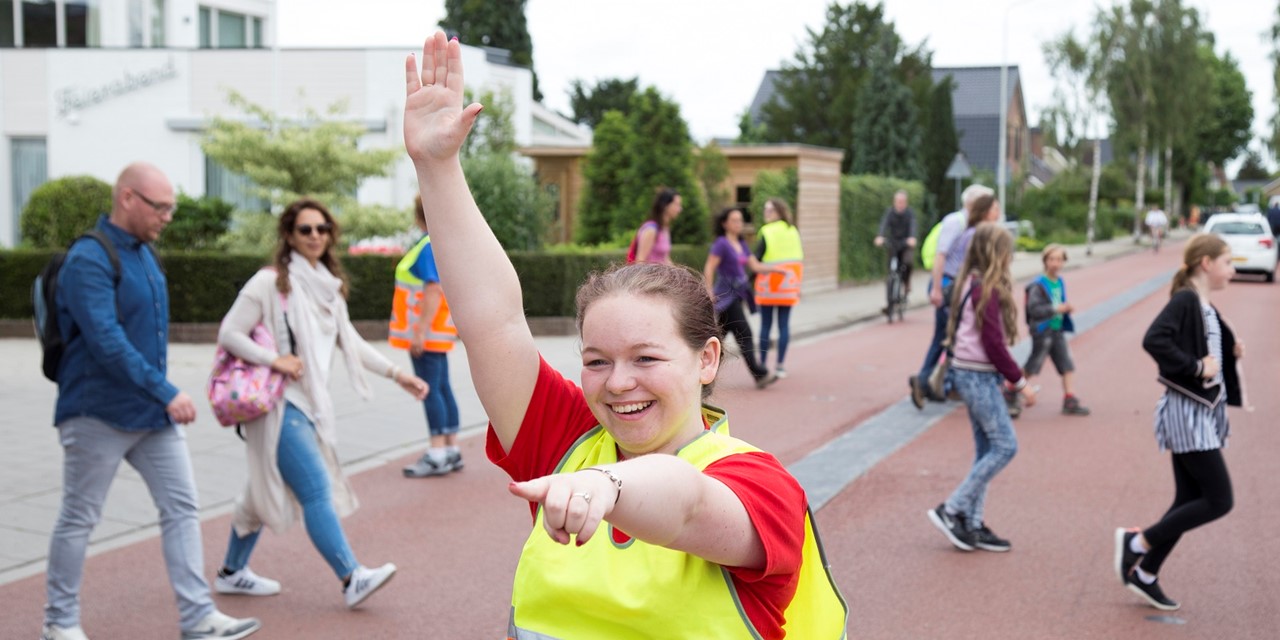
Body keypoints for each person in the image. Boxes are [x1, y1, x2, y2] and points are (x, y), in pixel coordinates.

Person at [401, 32, 846, 639]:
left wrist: (606, 486)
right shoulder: (564, 441)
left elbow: (687, 504)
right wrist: (437, 165)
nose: (619, 383)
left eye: (646, 357)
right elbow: (491, 321)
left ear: (707, 358)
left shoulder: (759, 485)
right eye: (596, 360)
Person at [42, 163, 261, 640]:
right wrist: (167, 391)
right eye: (159, 207)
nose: (167, 217)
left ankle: (197, 617)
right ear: (126, 198)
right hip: (96, 411)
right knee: (80, 516)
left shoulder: (145, 254)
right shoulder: (89, 258)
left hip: (150, 414)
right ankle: (59, 622)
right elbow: (105, 340)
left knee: (182, 507)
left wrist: (159, 397)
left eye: (171, 207)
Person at [212, 198, 428, 609]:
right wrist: (273, 358)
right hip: (279, 404)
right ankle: (352, 577)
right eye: (306, 229)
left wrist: (397, 374)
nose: (315, 236)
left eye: (322, 228)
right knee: (316, 488)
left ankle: (231, 572)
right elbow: (229, 333)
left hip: (309, 404)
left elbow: (351, 341)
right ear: (289, 236)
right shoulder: (269, 284)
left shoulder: (328, 287)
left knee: (257, 494)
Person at [1115, 233, 1244, 611]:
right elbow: (1155, 339)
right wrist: (1194, 367)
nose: (1232, 271)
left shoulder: (1203, 303)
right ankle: (1136, 544)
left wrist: (1229, 350)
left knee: (1189, 499)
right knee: (1219, 500)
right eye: (1227, 263)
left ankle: (1146, 574)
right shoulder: (1187, 298)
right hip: (1188, 412)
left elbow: (1205, 345)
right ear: (1206, 263)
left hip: (1201, 410)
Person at [926, 222, 1036, 554]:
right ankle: (953, 508)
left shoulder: (970, 283)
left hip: (970, 372)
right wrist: (1020, 382)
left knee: (987, 450)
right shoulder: (987, 290)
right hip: (977, 375)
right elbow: (993, 344)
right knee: (1005, 446)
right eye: (1008, 251)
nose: (1011, 257)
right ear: (997, 254)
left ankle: (972, 523)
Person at [391, 195, 463, 477]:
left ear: (417, 215)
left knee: (430, 388)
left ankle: (437, 453)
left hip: (425, 333)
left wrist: (418, 331)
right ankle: (451, 449)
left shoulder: (426, 247)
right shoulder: (438, 245)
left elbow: (432, 289)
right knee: (442, 387)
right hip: (437, 331)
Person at [910, 185, 996, 409]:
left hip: (956, 285)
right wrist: (937, 288)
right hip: (949, 285)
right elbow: (941, 256)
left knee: (946, 335)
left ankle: (932, 382)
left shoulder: (972, 225)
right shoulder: (956, 222)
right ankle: (935, 382)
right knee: (951, 334)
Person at [703, 206, 777, 389]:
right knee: (745, 334)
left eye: (740, 220)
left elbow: (756, 266)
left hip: (737, 295)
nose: (739, 224)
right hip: (726, 296)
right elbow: (709, 267)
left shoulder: (742, 243)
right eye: (734, 220)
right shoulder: (721, 243)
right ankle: (759, 374)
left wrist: (777, 269)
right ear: (725, 223)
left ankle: (702, 375)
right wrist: (709, 290)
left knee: (717, 339)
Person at [1022, 244, 1090, 416]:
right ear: (1045, 261)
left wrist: (1066, 308)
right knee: (1034, 364)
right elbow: (1034, 309)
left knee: (1066, 364)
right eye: (1051, 259)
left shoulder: (1059, 282)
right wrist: (1056, 309)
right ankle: (1011, 388)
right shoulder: (1038, 285)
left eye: (1059, 260)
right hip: (1042, 330)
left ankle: (1069, 398)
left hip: (1057, 329)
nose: (1055, 263)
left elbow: (1059, 302)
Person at [753, 197, 804, 378]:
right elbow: (798, 259)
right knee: (784, 325)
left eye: (769, 210)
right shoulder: (793, 231)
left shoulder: (766, 231)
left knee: (766, 325)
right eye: (765, 210)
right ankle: (781, 365)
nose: (766, 213)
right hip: (788, 284)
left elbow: (756, 258)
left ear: (778, 212)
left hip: (769, 284)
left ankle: (762, 365)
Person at [873, 189, 919, 311]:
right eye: (898, 201)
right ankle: (889, 304)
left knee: (908, 263)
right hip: (893, 244)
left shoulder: (910, 213)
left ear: (906, 202)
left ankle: (907, 282)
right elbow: (884, 224)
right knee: (890, 275)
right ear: (894, 202)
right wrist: (880, 236)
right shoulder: (890, 212)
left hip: (905, 244)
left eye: (902, 201)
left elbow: (913, 225)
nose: (900, 204)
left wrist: (912, 238)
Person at [632, 188, 682, 265]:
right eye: (677, 205)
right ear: (666, 205)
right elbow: (639, 261)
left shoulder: (664, 229)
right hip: (650, 276)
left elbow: (664, 258)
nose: (680, 209)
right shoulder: (651, 229)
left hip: (661, 276)